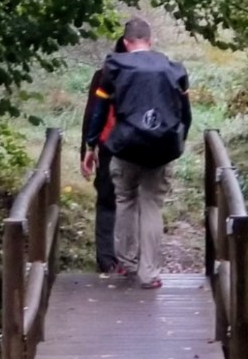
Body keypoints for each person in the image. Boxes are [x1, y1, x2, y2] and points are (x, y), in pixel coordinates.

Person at [81, 16, 190, 289]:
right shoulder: (173, 69)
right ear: (150, 41)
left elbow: (99, 111)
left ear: (126, 42)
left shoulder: (114, 67)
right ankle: (149, 273)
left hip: (125, 147)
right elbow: (185, 115)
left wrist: (90, 146)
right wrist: (179, 140)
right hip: (161, 149)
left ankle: (127, 264)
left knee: (125, 201)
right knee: (152, 205)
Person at [80, 38, 128, 275]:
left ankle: (107, 259)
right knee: (130, 201)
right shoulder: (147, 75)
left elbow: (91, 115)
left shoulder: (103, 75)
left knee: (107, 201)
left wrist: (86, 150)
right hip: (135, 146)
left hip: (109, 144)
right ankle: (125, 259)